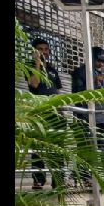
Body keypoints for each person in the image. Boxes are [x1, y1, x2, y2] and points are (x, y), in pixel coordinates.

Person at [26, 38, 62, 189]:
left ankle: (58, 180)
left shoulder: (52, 69)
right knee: (39, 146)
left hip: (55, 113)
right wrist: (37, 63)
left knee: (58, 147)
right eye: (40, 49)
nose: (44, 52)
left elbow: (57, 90)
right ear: (34, 51)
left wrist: (61, 109)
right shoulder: (29, 67)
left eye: (46, 49)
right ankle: (38, 180)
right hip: (39, 112)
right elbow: (34, 84)